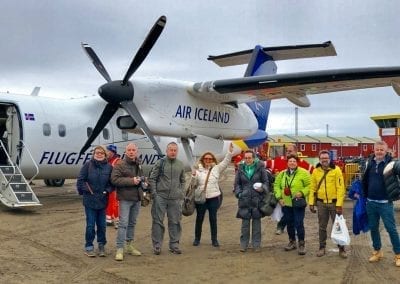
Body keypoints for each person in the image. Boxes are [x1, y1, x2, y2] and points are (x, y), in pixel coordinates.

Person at [361, 140, 400, 266]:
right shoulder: (368, 163)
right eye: (377, 149)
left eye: (381, 150)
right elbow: (364, 180)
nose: (379, 152)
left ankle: (398, 254)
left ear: (386, 151)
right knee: (373, 228)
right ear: (374, 150)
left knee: (391, 229)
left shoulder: (392, 164)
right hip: (371, 202)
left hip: (385, 203)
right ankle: (377, 251)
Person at [191, 143, 234, 247]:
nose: (208, 160)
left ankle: (214, 240)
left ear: (213, 160)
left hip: (214, 198)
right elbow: (193, 185)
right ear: (203, 160)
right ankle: (197, 239)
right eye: (206, 158)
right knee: (199, 218)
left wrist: (229, 152)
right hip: (201, 198)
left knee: (213, 219)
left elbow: (226, 162)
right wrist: (193, 177)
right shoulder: (197, 171)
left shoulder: (217, 169)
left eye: (210, 159)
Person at [266, 144, 314, 235]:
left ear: (296, 152)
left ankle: (287, 229)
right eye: (287, 151)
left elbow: (314, 173)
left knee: (296, 218)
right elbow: (265, 165)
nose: (288, 152)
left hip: (297, 198)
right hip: (283, 196)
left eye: (290, 151)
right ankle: (283, 228)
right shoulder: (279, 160)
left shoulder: (303, 163)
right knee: (285, 214)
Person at [111, 143, 147, 261]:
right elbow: (114, 179)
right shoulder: (120, 164)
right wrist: (132, 181)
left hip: (136, 198)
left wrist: (144, 183)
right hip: (125, 198)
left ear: (136, 152)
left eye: (133, 150)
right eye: (129, 150)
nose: (131, 152)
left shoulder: (139, 164)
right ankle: (120, 248)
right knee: (123, 224)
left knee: (132, 223)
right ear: (125, 152)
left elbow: (141, 177)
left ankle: (129, 245)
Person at [309, 150, 347, 258]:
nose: (324, 160)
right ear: (319, 159)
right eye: (322, 158)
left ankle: (342, 248)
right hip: (321, 204)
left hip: (334, 203)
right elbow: (312, 188)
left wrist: (339, 204)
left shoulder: (336, 170)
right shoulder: (316, 171)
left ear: (329, 158)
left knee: (338, 226)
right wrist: (311, 203)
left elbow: (341, 188)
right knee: (322, 227)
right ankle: (322, 247)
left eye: (326, 158)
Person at [149, 142, 185, 255]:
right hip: (161, 197)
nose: (173, 152)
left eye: (175, 150)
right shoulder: (160, 163)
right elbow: (152, 178)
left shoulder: (180, 164)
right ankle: (157, 245)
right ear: (166, 151)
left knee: (175, 221)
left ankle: (174, 245)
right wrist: (155, 194)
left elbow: (183, 180)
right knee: (158, 221)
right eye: (171, 150)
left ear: (177, 151)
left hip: (175, 198)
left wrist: (181, 193)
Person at [76, 145, 112, 257]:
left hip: (102, 200)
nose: (99, 154)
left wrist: (107, 191)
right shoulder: (87, 165)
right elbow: (80, 180)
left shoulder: (109, 167)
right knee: (90, 225)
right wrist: (86, 190)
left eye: (101, 153)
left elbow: (112, 183)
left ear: (105, 154)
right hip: (90, 200)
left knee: (102, 225)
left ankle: (101, 245)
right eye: (97, 152)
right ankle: (89, 246)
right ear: (94, 154)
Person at [274, 154, 311, 255]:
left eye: (294, 161)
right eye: (290, 161)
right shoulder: (282, 174)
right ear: (287, 163)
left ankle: (302, 244)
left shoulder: (304, 173)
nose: (292, 163)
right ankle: (292, 241)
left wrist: (302, 193)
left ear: (297, 162)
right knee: (290, 224)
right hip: (286, 203)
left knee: (299, 223)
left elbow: (309, 185)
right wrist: (279, 198)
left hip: (298, 203)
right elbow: (276, 186)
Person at [234, 150, 270, 252]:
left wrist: (262, 188)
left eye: (250, 158)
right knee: (245, 225)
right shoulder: (240, 169)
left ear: (254, 158)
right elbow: (237, 184)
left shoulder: (260, 168)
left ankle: (256, 245)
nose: (248, 160)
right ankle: (243, 245)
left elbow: (266, 182)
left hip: (257, 200)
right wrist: (239, 193)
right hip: (244, 199)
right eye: (246, 158)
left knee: (256, 224)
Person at [105, 145, 121, 229]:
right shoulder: (108, 161)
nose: (106, 153)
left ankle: (117, 221)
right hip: (109, 186)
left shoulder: (117, 161)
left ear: (112, 152)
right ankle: (109, 219)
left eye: (108, 151)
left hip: (115, 186)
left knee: (115, 203)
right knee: (109, 202)